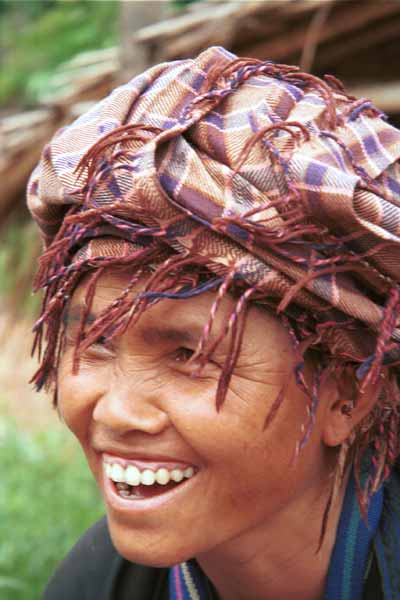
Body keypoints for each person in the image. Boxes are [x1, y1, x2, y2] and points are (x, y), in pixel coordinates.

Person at [27, 46, 400, 600]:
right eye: (96, 343)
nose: (118, 411)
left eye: (189, 355)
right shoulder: (93, 585)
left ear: (347, 393)